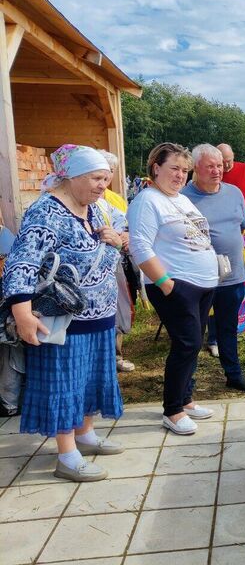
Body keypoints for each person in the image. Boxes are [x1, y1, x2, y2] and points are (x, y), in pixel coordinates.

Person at [3, 144, 124, 482]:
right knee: (65, 383)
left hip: (99, 314)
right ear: (72, 177)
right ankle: (67, 455)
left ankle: (85, 435)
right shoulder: (46, 211)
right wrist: (23, 313)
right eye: (97, 178)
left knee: (90, 379)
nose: (103, 186)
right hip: (62, 318)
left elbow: (116, 239)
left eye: (106, 179)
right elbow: (22, 262)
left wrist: (115, 238)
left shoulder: (95, 208)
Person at [127, 142, 219, 435]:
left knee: (194, 342)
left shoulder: (179, 199)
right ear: (156, 168)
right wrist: (167, 285)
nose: (181, 175)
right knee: (187, 343)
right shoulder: (148, 200)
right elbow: (139, 246)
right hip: (176, 285)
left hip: (202, 285)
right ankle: (173, 410)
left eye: (185, 170)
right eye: (174, 169)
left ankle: (186, 399)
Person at [182, 144, 245, 393]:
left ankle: (233, 374)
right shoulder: (183, 198)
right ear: (196, 168)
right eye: (210, 166)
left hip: (232, 275)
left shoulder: (234, 193)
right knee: (192, 333)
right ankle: (186, 384)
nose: (217, 171)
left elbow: (243, 225)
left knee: (228, 328)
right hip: (197, 278)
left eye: (220, 165)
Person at [96, 150, 136, 373]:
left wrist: (126, 236)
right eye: (101, 172)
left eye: (110, 172)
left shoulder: (116, 200)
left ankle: (117, 355)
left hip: (117, 262)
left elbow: (127, 227)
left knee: (118, 308)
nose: (106, 177)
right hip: (96, 267)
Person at [217, 144, 245, 311]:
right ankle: (233, 299)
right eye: (223, 162)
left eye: (229, 161)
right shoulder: (216, 173)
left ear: (233, 156)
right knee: (226, 265)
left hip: (244, 226)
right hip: (224, 227)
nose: (227, 165)